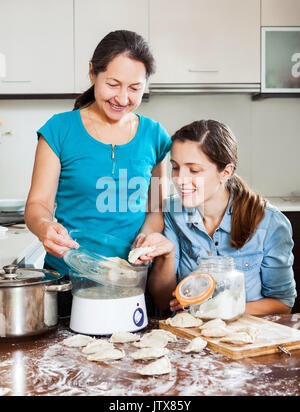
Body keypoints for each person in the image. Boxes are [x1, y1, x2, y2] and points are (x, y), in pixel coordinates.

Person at [24, 30, 171, 316]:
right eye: (113, 84)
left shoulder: (155, 136)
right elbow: (37, 204)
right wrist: (44, 227)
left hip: (133, 280)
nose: (122, 98)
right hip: (68, 281)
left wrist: (146, 242)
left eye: (135, 88)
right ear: (93, 73)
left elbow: (155, 210)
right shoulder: (59, 130)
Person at [139, 119, 297, 316]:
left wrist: (213, 309)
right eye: (176, 167)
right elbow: (164, 302)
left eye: (194, 170)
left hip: (245, 338)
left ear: (225, 172)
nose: (180, 179)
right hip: (188, 338)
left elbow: (282, 304)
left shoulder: (269, 222)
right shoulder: (173, 214)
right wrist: (167, 254)